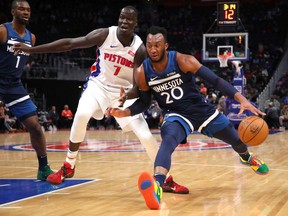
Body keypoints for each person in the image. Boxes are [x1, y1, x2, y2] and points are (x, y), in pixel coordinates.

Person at [13, 6, 188, 194]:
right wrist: (32, 51)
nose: (124, 22)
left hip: (124, 94)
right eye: (122, 17)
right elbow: (69, 43)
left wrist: (126, 98)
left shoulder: (140, 49)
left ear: (136, 24)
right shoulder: (105, 34)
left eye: (129, 19)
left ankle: (166, 179)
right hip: (98, 86)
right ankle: (68, 165)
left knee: (145, 136)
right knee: (81, 114)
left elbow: (138, 84)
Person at [106, 26, 269, 210]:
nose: (152, 49)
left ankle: (246, 158)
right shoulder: (142, 72)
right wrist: (124, 112)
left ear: (165, 46)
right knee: (167, 141)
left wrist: (241, 99)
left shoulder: (183, 60)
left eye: (157, 45)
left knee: (236, 140)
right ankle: (157, 186)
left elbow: (215, 80)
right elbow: (143, 102)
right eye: (150, 45)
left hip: (202, 111)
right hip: (176, 115)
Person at [0, 0, 53, 180]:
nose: (26, 12)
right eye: (22, 9)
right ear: (13, 11)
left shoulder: (31, 38)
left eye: (28, 10)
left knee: (36, 127)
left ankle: (43, 168)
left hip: (14, 85)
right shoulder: (3, 30)